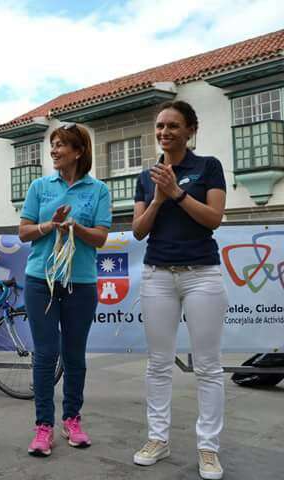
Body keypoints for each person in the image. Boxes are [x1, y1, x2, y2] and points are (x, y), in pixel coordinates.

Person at [131, 101, 228, 480]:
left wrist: (177, 193)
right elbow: (139, 230)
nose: (164, 132)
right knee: (158, 364)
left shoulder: (208, 167)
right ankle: (158, 439)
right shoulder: (147, 176)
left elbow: (213, 219)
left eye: (173, 125)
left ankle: (208, 448)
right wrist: (158, 198)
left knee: (208, 366)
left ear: (190, 130)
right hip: (157, 275)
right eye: (160, 126)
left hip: (202, 274)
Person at [19, 123, 111, 456]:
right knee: (45, 354)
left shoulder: (98, 190)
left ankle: (72, 419)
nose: (54, 150)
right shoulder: (39, 186)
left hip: (80, 283)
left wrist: (76, 228)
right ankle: (43, 426)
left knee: (74, 355)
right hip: (40, 281)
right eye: (53, 144)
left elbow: (100, 238)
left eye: (61, 145)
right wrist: (51, 225)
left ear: (79, 151)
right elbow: (24, 232)